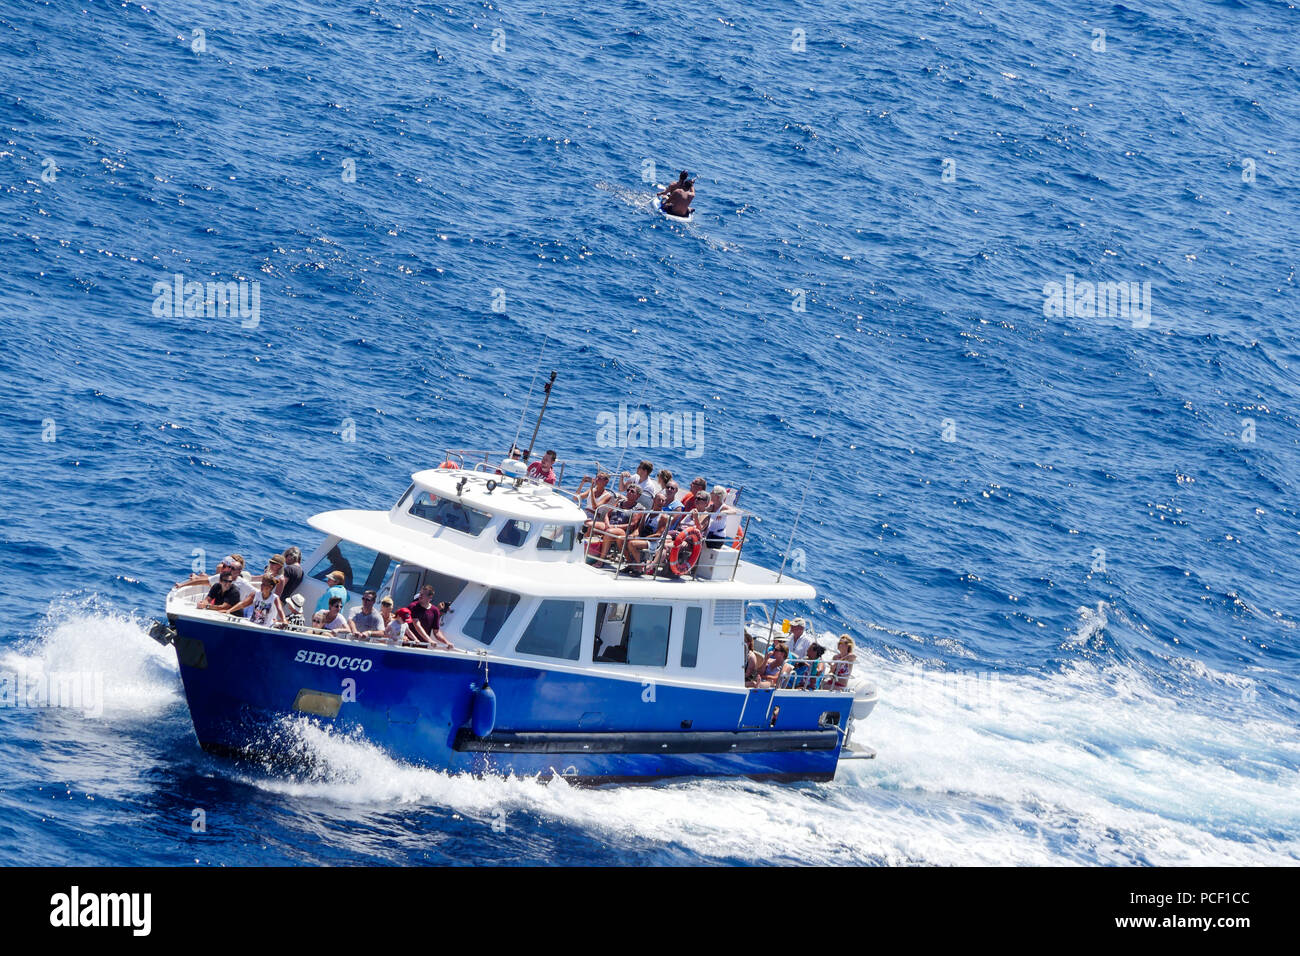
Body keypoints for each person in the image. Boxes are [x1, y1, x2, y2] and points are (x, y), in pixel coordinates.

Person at [405, 585, 454, 650]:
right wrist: (429, 640)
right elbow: (417, 624)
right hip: (408, 644)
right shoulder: (413, 606)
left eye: (423, 594)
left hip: (423, 646)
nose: (420, 595)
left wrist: (446, 642)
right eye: (420, 593)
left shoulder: (435, 610)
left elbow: (436, 632)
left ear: (430, 597)